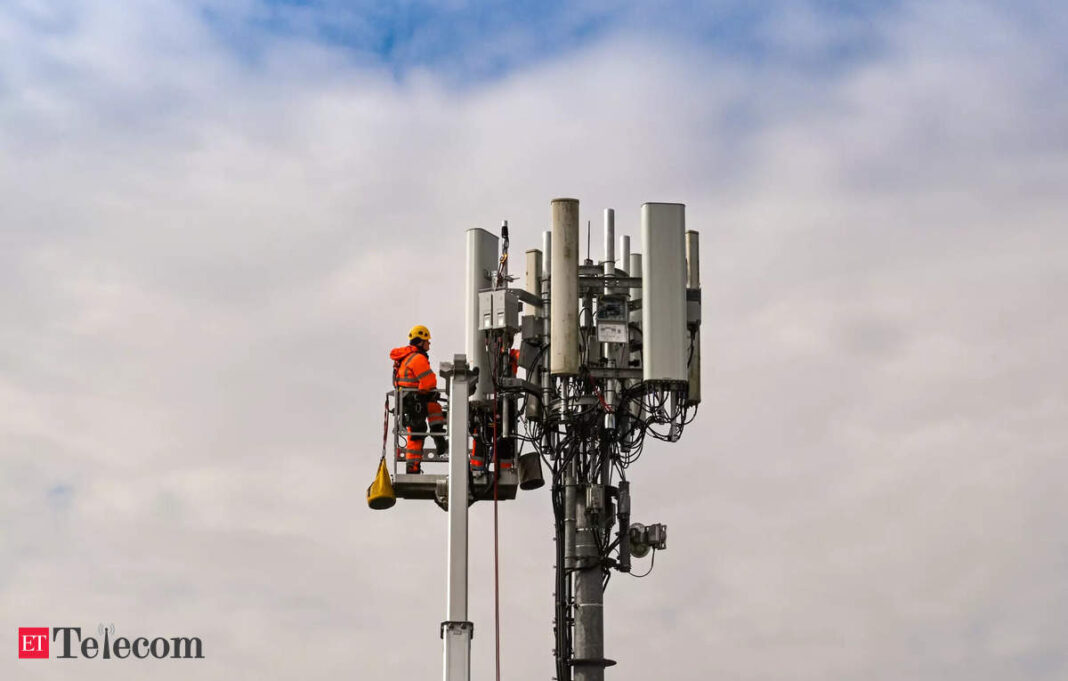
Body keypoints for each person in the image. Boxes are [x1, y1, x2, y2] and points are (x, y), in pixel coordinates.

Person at [390, 325, 447, 474]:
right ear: (421, 341)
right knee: (418, 431)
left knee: (431, 412)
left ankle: (414, 465)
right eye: (427, 341)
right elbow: (429, 382)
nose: (429, 344)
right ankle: (437, 440)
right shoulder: (418, 359)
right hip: (414, 401)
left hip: (409, 401)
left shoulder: (405, 358)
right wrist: (428, 392)